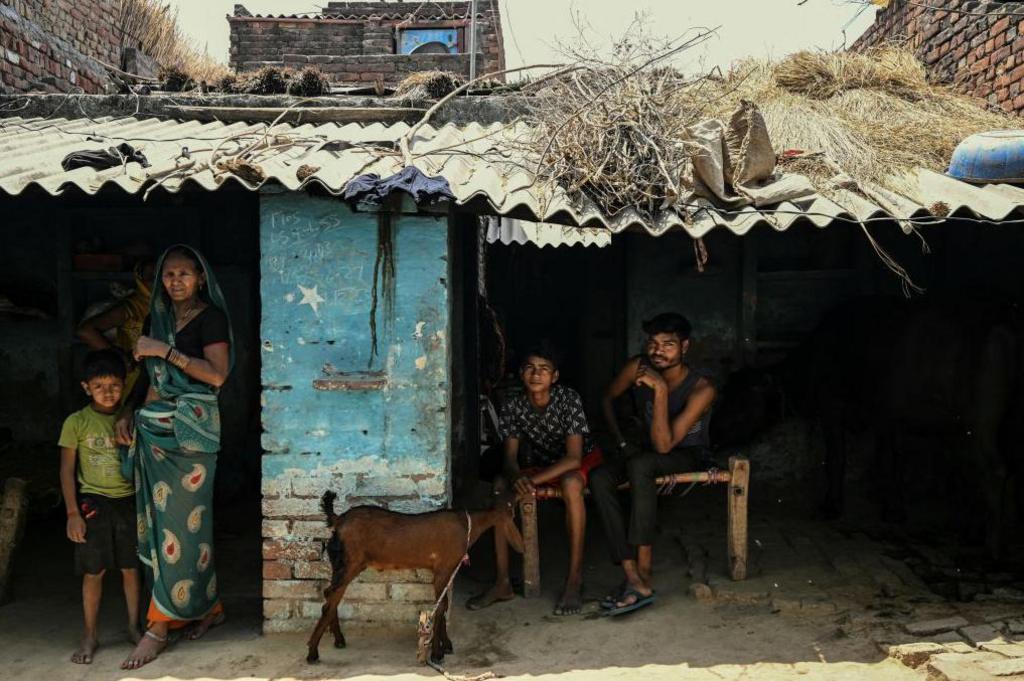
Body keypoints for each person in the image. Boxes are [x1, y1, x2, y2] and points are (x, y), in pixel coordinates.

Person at [115, 245, 233, 670]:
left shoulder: (211, 318)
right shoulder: (157, 320)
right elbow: (154, 383)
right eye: (168, 275)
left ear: (200, 277)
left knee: (184, 533)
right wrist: (130, 413)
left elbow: (217, 374)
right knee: (164, 528)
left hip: (192, 440)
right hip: (156, 435)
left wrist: (164, 350)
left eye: (184, 273)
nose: (176, 281)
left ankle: (159, 626)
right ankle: (207, 607)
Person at [590, 312, 715, 616]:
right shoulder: (637, 367)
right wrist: (620, 440)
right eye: (652, 343)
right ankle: (633, 576)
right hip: (646, 450)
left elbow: (664, 445)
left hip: (685, 453)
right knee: (599, 477)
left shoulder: (702, 389)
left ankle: (644, 573)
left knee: (641, 466)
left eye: (668, 345)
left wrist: (659, 390)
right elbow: (607, 397)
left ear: (685, 347)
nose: (657, 351)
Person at [467, 343, 602, 616]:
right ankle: (502, 582)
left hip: (578, 458)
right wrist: (517, 477)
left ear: (554, 376)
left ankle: (574, 579)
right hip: (542, 463)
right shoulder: (514, 405)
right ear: (521, 373)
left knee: (571, 484)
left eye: (544, 369)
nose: (536, 374)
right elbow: (509, 458)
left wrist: (533, 481)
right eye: (530, 367)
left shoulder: (568, 399)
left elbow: (573, 458)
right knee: (500, 486)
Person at [58, 349, 141, 664]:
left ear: (125, 384)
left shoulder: (132, 419)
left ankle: (134, 627)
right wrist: (72, 513)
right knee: (94, 571)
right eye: (99, 386)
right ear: (86, 388)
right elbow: (66, 469)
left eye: (115, 385)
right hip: (93, 502)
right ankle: (90, 634)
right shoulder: (76, 422)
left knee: (132, 568)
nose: (108, 393)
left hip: (128, 499)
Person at [76, 259, 156, 400]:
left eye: (161, 276)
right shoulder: (132, 307)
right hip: (135, 378)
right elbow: (86, 331)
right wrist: (121, 358)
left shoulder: (174, 308)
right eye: (150, 277)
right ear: (140, 279)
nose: (157, 282)